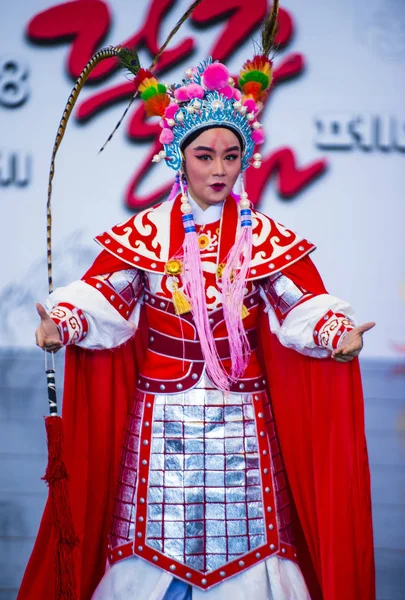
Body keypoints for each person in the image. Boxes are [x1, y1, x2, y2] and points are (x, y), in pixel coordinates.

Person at [19, 22, 376, 600]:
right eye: (205, 155)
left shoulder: (262, 237)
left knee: (251, 554)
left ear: (244, 160)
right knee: (152, 554)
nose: (218, 169)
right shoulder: (148, 234)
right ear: (179, 159)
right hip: (162, 426)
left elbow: (296, 302)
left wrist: (336, 333)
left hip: (243, 426)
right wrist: (64, 322)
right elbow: (109, 295)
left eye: (231, 156)